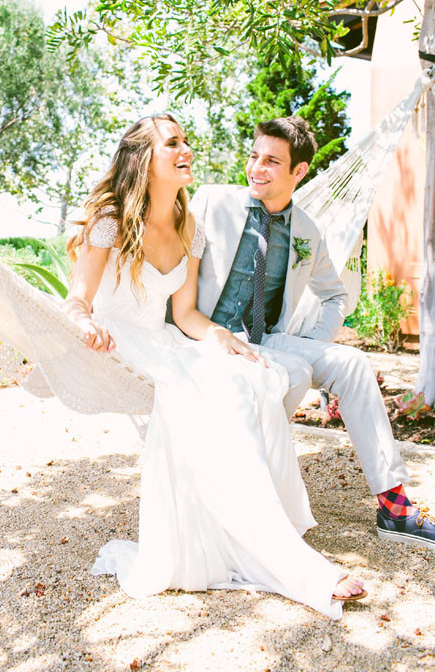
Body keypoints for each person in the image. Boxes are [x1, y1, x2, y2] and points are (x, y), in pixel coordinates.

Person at [64, 113, 366, 619]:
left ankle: (261, 532)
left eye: (185, 140)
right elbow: (78, 299)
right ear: (144, 158)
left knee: (255, 377)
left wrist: (222, 337)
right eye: (172, 143)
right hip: (122, 341)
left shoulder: (190, 227)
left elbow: (185, 314)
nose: (186, 149)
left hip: (166, 340)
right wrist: (84, 323)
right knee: (213, 390)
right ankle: (296, 568)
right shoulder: (110, 221)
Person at [191, 115, 434, 550]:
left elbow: (335, 295)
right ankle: (247, 490)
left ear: (299, 171)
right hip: (208, 334)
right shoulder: (212, 202)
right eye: (254, 156)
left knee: (353, 364)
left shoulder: (305, 230)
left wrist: (314, 344)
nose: (256, 168)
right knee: (291, 373)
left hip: (266, 339)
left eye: (271, 161)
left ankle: (394, 505)